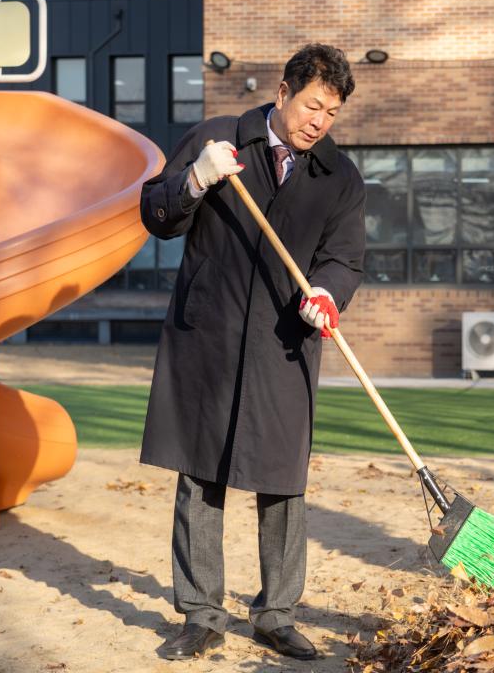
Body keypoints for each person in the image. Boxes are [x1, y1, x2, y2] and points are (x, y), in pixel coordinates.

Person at [138, 43, 365, 661]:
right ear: (285, 90)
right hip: (206, 337)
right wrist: (194, 179)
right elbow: (157, 215)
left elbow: (344, 257)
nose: (320, 121)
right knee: (200, 475)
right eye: (313, 105)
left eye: (332, 113)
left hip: (284, 345)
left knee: (282, 481)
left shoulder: (339, 177)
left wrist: (326, 291)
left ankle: (276, 614)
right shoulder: (218, 140)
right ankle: (200, 614)